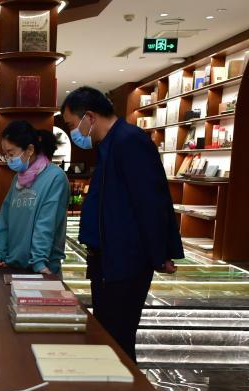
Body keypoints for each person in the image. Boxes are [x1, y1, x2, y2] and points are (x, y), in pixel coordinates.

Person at [61, 86, 183, 362]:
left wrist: (160, 253)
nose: (73, 132)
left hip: (125, 261)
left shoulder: (130, 141)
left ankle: (126, 387)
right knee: (108, 338)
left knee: (118, 340)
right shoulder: (111, 144)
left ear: (89, 117)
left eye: (71, 125)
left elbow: (151, 201)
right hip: (108, 258)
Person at [0, 120, 69, 274]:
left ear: (30, 149)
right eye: (6, 154)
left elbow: (47, 223)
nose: (8, 159)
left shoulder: (55, 177)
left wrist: (39, 262)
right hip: (13, 264)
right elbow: (5, 219)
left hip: (42, 267)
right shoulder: (18, 178)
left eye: (11, 154)